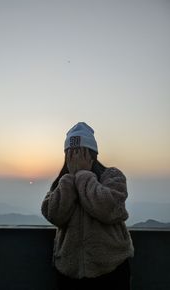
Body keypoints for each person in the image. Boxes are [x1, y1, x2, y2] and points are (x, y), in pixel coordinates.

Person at [41, 122, 134, 290]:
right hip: (68, 273)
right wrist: (69, 179)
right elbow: (54, 215)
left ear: (92, 155)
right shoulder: (62, 183)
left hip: (111, 271)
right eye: (71, 153)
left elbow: (108, 209)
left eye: (81, 152)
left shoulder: (112, 177)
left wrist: (83, 175)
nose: (75, 157)